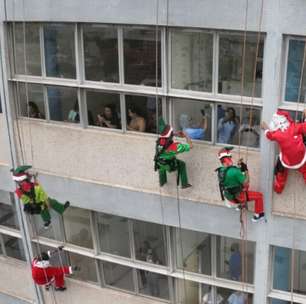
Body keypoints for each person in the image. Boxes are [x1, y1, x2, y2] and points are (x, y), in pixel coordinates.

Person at [261, 109, 306, 193]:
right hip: (301, 157)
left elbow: (269, 135)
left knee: (281, 171)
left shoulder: (278, 134)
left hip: (288, 160)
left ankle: (278, 188)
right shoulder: (294, 127)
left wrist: (265, 128)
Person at [216, 147, 265, 222]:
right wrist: (246, 170)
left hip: (229, 196)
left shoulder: (220, 170)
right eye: (230, 157)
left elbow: (233, 176)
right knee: (259, 196)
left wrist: (240, 168)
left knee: (241, 185)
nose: (231, 158)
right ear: (227, 159)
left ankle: (241, 205)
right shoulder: (234, 171)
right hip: (238, 197)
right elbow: (246, 181)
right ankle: (258, 215)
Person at [154, 122, 193, 189]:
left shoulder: (159, 141)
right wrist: (187, 135)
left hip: (159, 162)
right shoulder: (175, 147)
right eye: (172, 132)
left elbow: (167, 136)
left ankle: (162, 182)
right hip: (169, 165)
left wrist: (175, 134)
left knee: (161, 166)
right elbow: (191, 146)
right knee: (182, 164)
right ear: (170, 135)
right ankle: (184, 184)